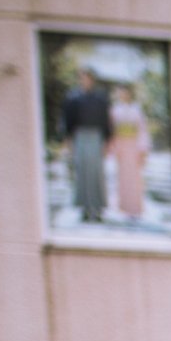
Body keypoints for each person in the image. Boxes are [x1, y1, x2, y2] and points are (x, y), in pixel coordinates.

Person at [61, 69, 112, 225]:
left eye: (88, 78)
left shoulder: (100, 98)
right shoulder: (73, 98)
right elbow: (67, 120)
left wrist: (106, 141)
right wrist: (68, 140)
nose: (85, 81)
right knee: (82, 172)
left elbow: (106, 120)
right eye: (82, 78)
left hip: (96, 136)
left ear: (92, 80)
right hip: (79, 136)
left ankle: (98, 209)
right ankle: (84, 209)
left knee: (96, 173)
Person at [108, 82, 150, 222]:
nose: (123, 94)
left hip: (133, 146)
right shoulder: (115, 109)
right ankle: (123, 208)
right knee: (122, 177)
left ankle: (135, 209)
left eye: (125, 92)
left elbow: (142, 130)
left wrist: (143, 149)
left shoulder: (136, 109)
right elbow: (111, 129)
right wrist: (112, 147)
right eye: (121, 92)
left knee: (135, 178)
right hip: (121, 145)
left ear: (130, 94)